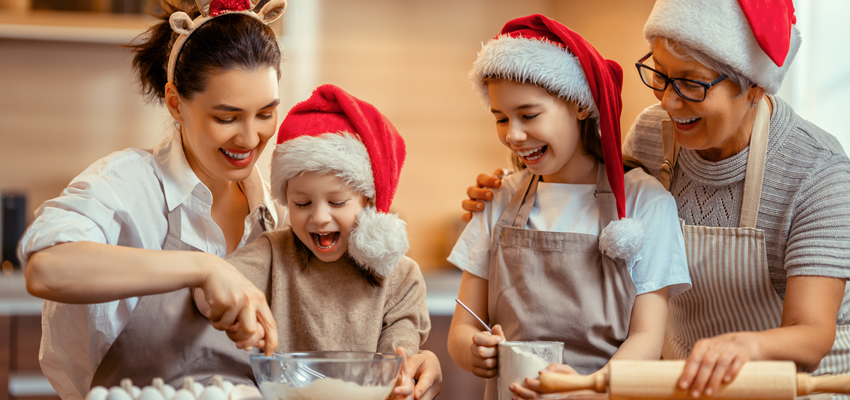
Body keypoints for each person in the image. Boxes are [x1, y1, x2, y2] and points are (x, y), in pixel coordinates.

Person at [17, 2, 441, 399]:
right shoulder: (132, 184)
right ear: (175, 104)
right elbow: (46, 269)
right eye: (226, 117)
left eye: (265, 113)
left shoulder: (279, 214)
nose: (250, 137)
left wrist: (410, 361)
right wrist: (202, 268)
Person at [465, 1, 850, 399]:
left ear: (754, 85)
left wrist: (747, 345)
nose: (667, 102)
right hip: (683, 384)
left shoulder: (816, 170)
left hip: (803, 387)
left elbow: (812, 336)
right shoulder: (653, 134)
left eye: (691, 83)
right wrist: (507, 184)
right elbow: (584, 184)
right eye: (660, 75)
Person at [445, 14, 690, 400]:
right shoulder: (499, 199)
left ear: (579, 105)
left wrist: (592, 390)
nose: (513, 134)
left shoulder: (646, 202)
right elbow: (463, 327)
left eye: (528, 115)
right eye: (500, 118)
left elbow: (648, 338)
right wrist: (472, 352)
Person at [203, 84, 431, 399]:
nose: (319, 218)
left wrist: (404, 381)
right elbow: (213, 285)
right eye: (301, 203)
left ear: (369, 201)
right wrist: (217, 299)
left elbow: (398, 360)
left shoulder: (400, 277)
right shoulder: (273, 253)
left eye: (337, 203)